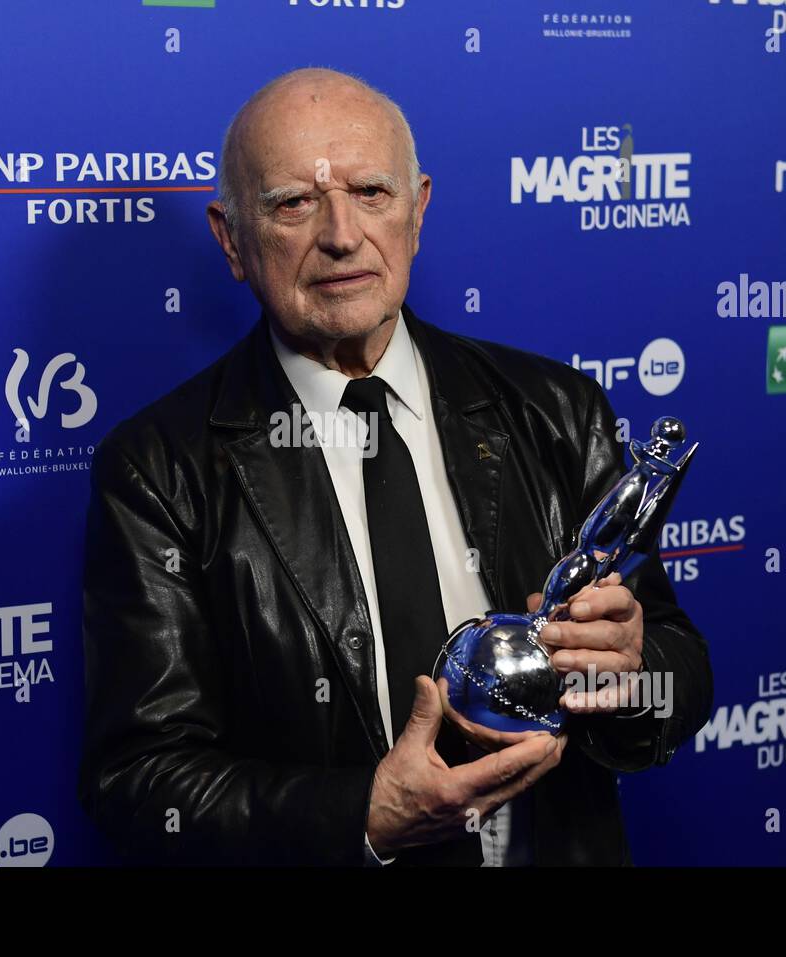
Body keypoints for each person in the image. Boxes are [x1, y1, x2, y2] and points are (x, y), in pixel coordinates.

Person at [78, 67, 712, 866]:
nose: (342, 235)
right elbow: (138, 777)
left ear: (418, 210)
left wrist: (627, 673)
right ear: (231, 239)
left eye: (372, 192)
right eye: (293, 203)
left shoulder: (557, 410)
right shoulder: (158, 470)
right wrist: (363, 816)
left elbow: (678, 672)